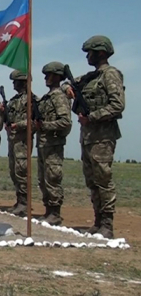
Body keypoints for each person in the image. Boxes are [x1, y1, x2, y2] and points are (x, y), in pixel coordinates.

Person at [64, 36, 125, 238]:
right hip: (88, 137)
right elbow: (67, 84)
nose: (87, 56)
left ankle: (107, 224)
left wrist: (92, 117)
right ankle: (98, 221)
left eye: (90, 52)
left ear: (100, 53)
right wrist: (69, 89)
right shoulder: (91, 77)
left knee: (103, 179)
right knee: (92, 180)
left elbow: (117, 105)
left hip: (103, 136)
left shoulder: (110, 75)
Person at [35, 61, 72, 225]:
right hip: (43, 145)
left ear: (57, 76)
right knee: (43, 180)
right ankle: (48, 210)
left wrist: (45, 126)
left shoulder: (58, 97)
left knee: (52, 178)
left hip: (53, 145)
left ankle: (55, 213)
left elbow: (65, 122)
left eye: (49, 75)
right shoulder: (46, 98)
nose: (45, 78)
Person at [4, 70, 37, 215]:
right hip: (13, 141)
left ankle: (25, 203)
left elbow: (35, 121)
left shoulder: (32, 99)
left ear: (23, 82)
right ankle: (20, 200)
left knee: (22, 172)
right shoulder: (13, 100)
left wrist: (19, 125)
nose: (13, 84)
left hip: (23, 141)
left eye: (15, 81)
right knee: (14, 172)